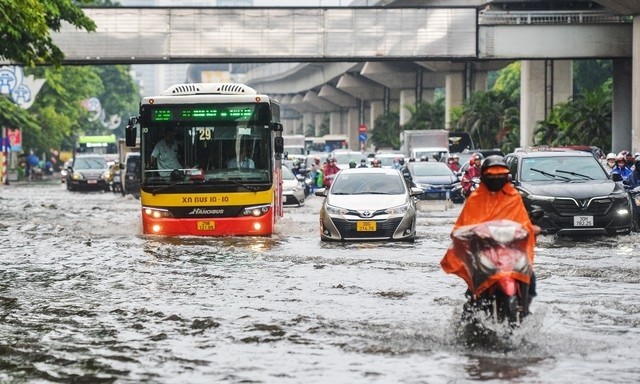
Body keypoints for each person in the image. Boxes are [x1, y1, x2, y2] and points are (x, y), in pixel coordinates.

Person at [441, 155, 538, 301]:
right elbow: (462, 227)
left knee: (530, 276)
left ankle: (525, 306)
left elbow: (523, 223)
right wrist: (461, 234)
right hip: (484, 252)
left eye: (500, 175)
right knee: (474, 286)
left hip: (510, 252)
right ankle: (472, 308)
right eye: (492, 176)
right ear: (484, 177)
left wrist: (531, 229)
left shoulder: (514, 197)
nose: (496, 179)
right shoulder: (475, 199)